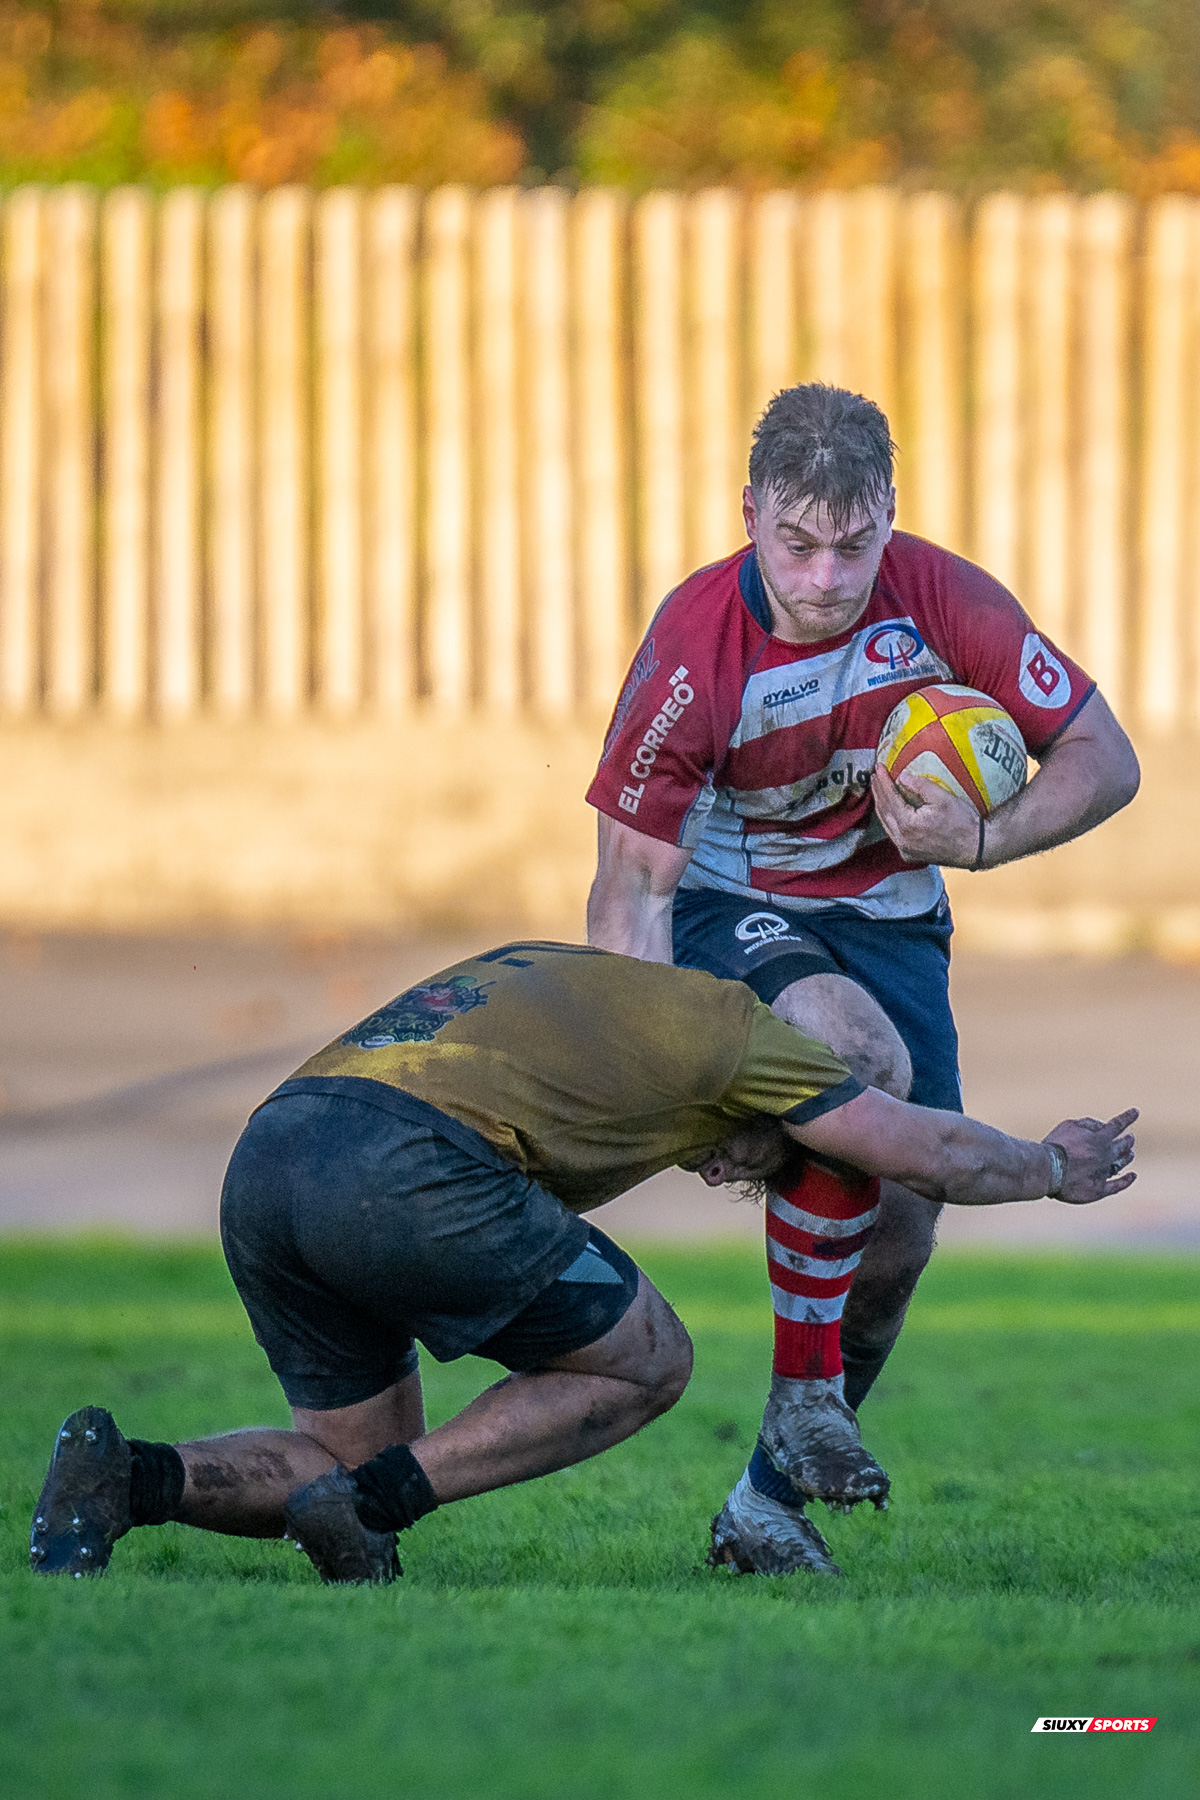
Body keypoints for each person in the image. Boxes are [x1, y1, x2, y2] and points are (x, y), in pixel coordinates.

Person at [31, 941, 1136, 1585]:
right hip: (404, 1165)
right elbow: (922, 1148)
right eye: (761, 1162)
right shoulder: (746, 1037)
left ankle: (128, 1479)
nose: (725, 1178)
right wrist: (1051, 1164)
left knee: (341, 1451)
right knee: (649, 1359)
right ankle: (375, 1504)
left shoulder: (586, 983)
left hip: (268, 1157)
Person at [585, 383, 1141, 1570]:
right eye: (797, 544)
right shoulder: (695, 646)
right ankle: (800, 1398)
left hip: (894, 918)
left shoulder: (942, 597)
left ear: (890, 513)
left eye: (855, 544)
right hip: (733, 908)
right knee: (857, 1053)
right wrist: (655, 1081)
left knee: (897, 1231)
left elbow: (1108, 756)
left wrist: (984, 841)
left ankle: (762, 1508)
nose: (829, 577)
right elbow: (630, 890)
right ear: (750, 515)